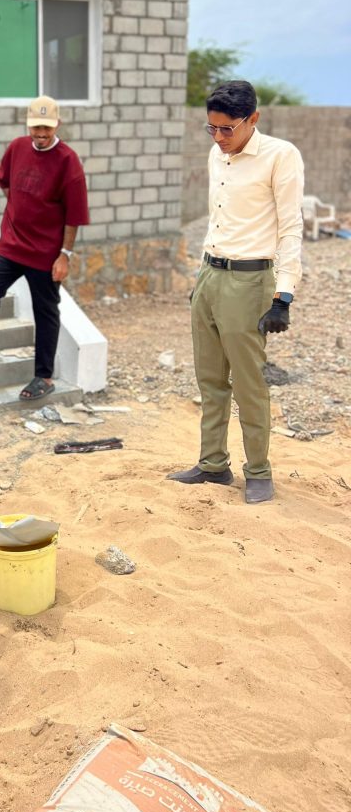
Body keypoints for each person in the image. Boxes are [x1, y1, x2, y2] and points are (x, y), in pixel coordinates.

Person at [167, 81, 304, 504]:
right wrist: (201, 280)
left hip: (249, 281)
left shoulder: (280, 156)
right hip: (210, 275)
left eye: (227, 129)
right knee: (210, 380)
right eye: (211, 128)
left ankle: (258, 472)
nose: (219, 137)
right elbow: (219, 220)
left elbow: (290, 228)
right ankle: (213, 464)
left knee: (249, 384)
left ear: (253, 119)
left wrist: (283, 296)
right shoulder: (218, 154)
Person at [0, 96, 90, 401]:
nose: (41, 134)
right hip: (11, 244)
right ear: (28, 125)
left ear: (57, 124)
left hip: (46, 253)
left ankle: (44, 377)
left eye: (47, 127)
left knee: (45, 312)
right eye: (36, 128)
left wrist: (65, 255)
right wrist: (19, 211)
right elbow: (4, 181)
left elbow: (74, 216)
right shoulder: (17, 147)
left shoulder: (68, 161)